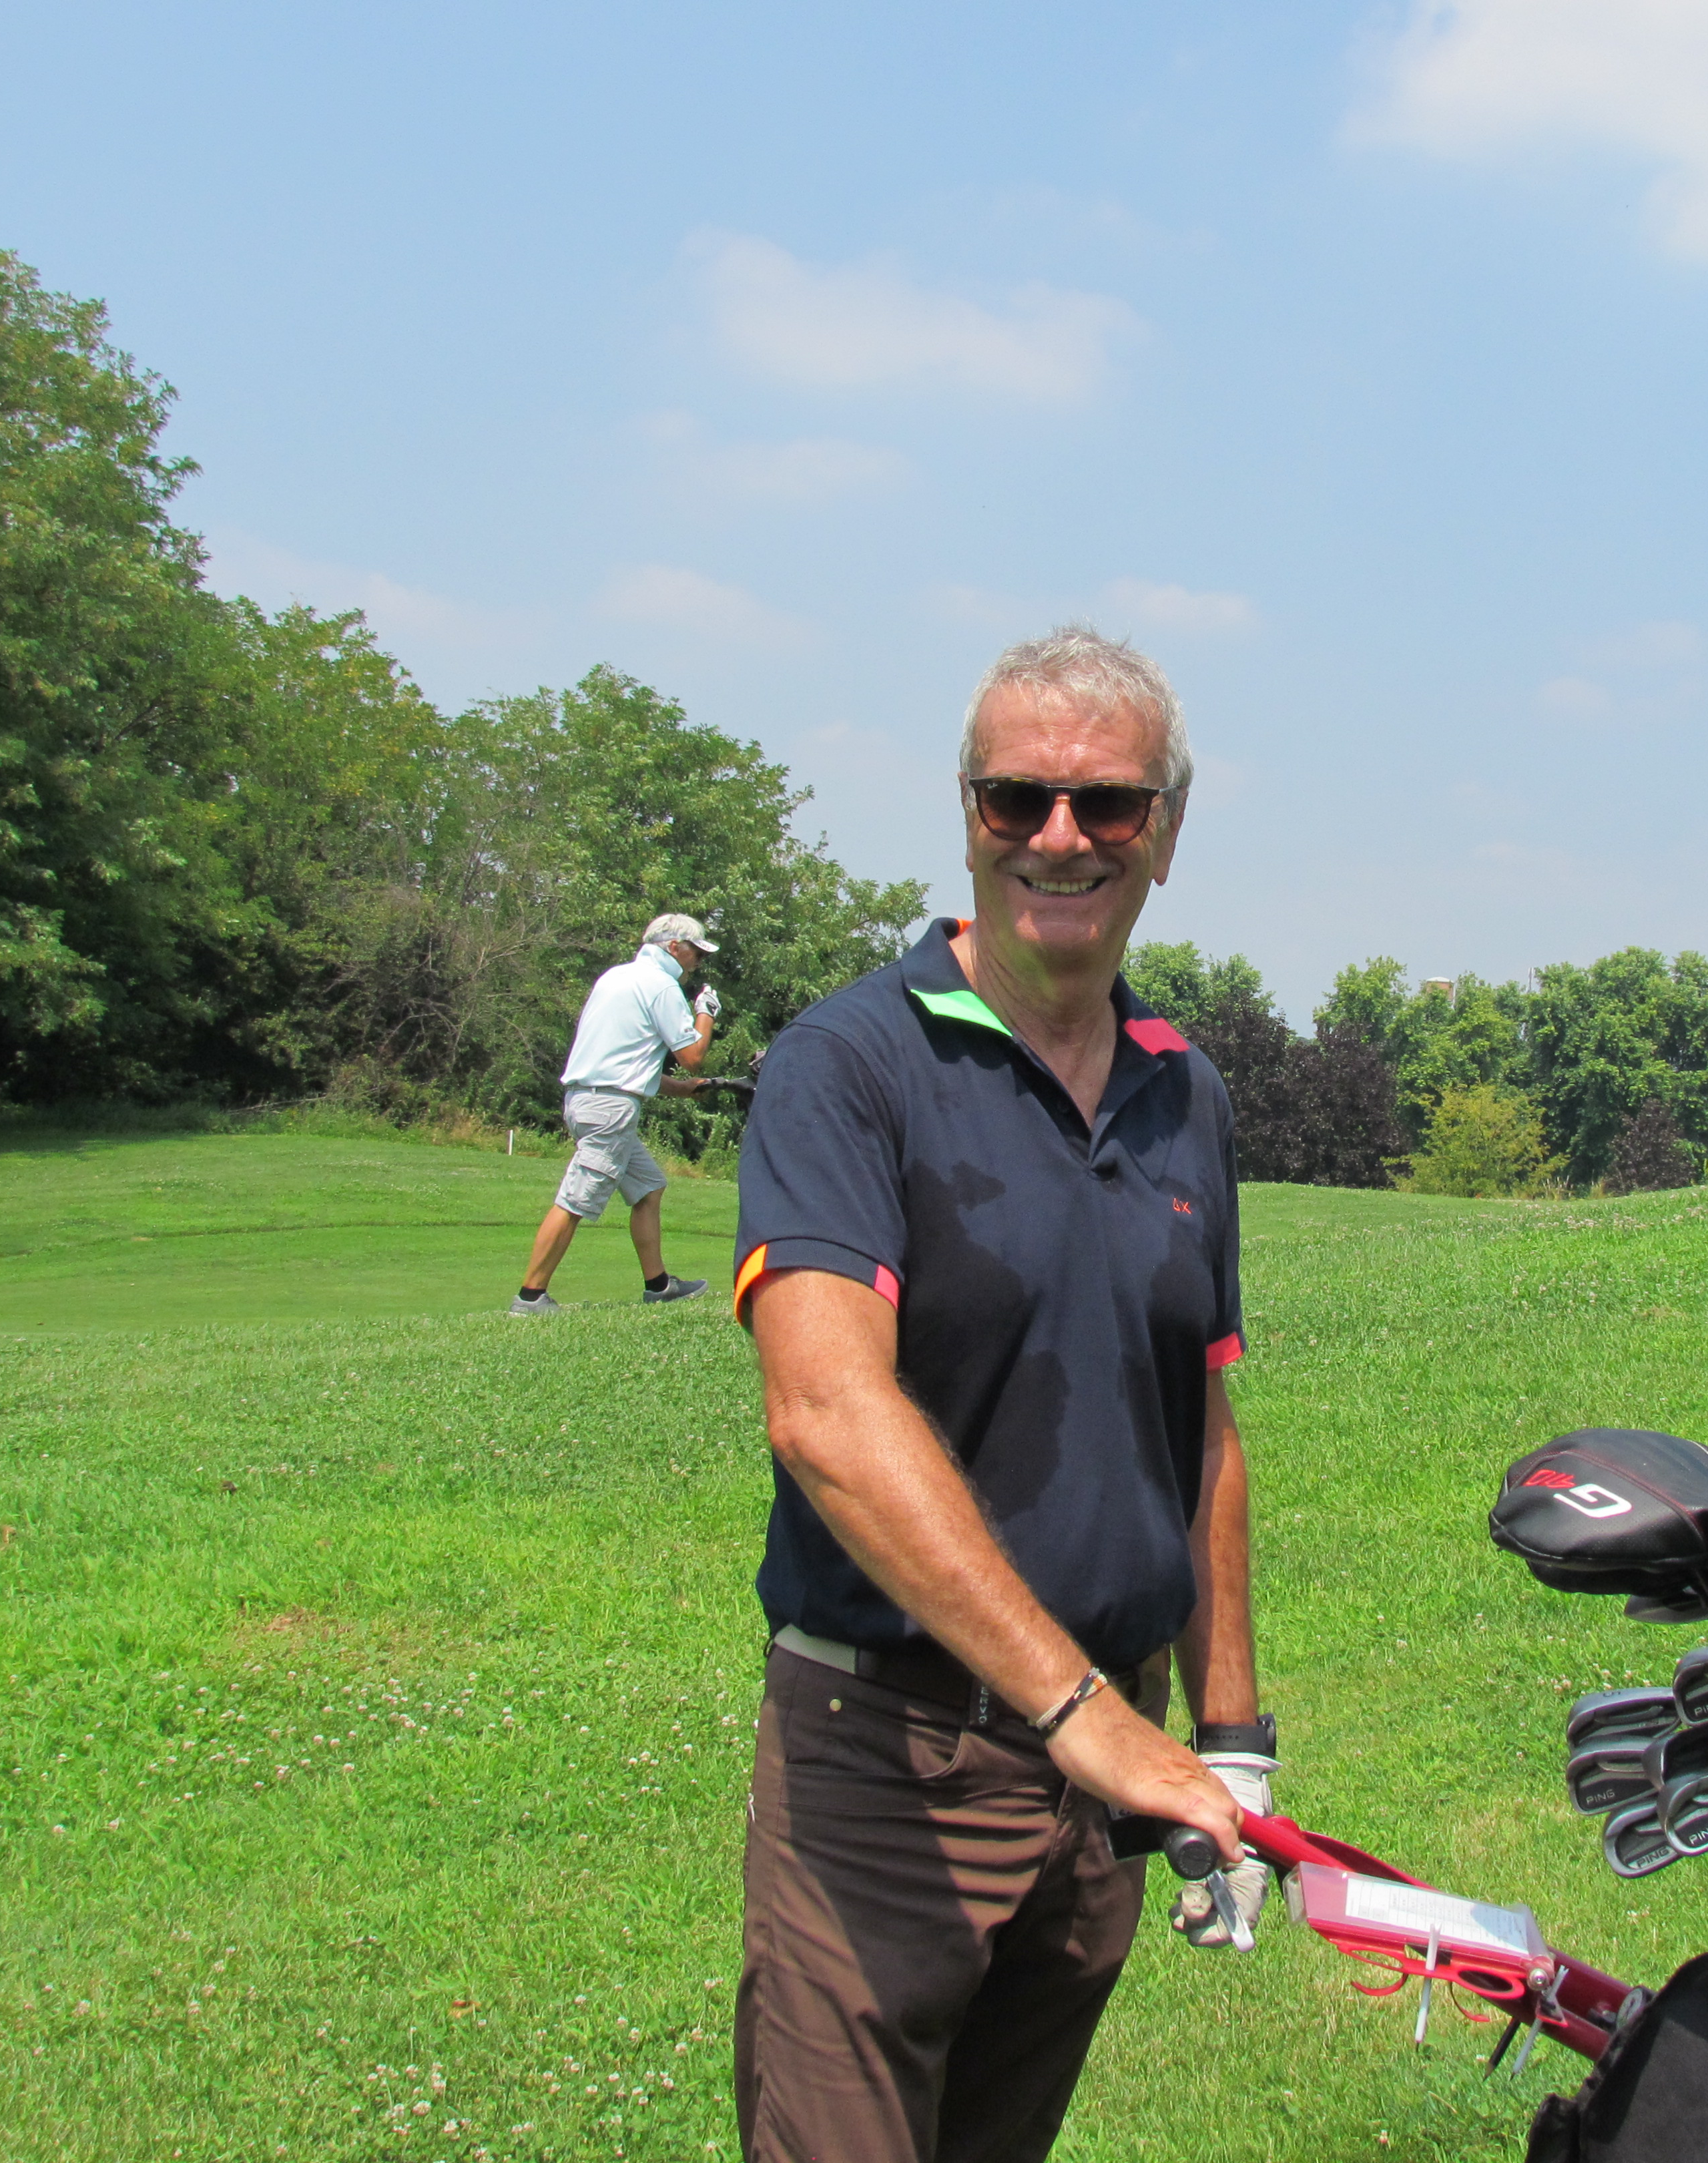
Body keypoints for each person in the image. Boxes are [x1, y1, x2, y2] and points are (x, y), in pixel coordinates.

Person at [729, 627, 1272, 2163]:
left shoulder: (1184, 1090)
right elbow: (826, 1414)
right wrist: (1081, 1712)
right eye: (1017, 796)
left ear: (1168, 828)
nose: (1060, 836)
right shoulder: (848, 1065)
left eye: (1108, 803)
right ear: (966, 814)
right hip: (888, 1763)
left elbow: (1202, 1422)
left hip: (1100, 1797)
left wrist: (1229, 1730)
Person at [509, 913, 722, 1314]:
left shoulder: (615, 977)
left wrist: (685, 1090)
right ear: (673, 947)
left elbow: (629, 1064)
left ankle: (659, 1286)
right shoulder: (661, 985)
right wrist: (706, 1012)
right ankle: (530, 1296)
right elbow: (693, 1056)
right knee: (575, 1201)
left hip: (585, 1101)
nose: (698, 960)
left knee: (648, 1187)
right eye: (696, 951)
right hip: (611, 1110)